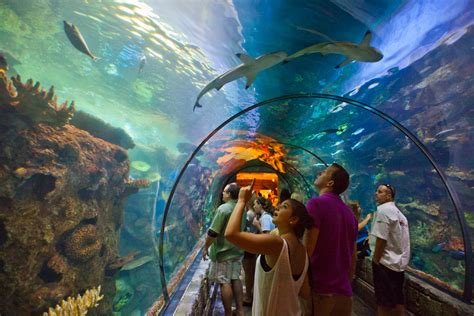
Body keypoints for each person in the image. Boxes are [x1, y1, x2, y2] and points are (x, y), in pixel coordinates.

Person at [225, 179, 314, 315]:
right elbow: (305, 292)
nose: (277, 207)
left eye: (284, 207)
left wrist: (241, 201)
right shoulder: (303, 251)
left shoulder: (277, 244)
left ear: (293, 220)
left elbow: (231, 234)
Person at [304, 163, 358, 316]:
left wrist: (301, 282)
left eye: (325, 172)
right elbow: (353, 256)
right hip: (344, 292)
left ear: (330, 183)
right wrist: (347, 283)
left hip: (321, 287)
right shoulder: (349, 214)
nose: (320, 172)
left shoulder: (316, 204)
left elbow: (308, 248)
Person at [203, 183, 245, 316]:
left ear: (230, 194)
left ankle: (228, 313)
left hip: (223, 253)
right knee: (235, 278)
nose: (222, 193)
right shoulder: (241, 208)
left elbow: (213, 232)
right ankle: (240, 310)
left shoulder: (224, 209)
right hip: (237, 251)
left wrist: (206, 247)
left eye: (225, 192)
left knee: (224, 282)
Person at [371, 184, 410, 316]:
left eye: (380, 192)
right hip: (398, 264)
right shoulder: (400, 214)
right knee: (398, 299)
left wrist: (376, 259)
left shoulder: (383, 210)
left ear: (389, 195)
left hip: (385, 263)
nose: (376, 193)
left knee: (384, 302)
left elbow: (382, 239)